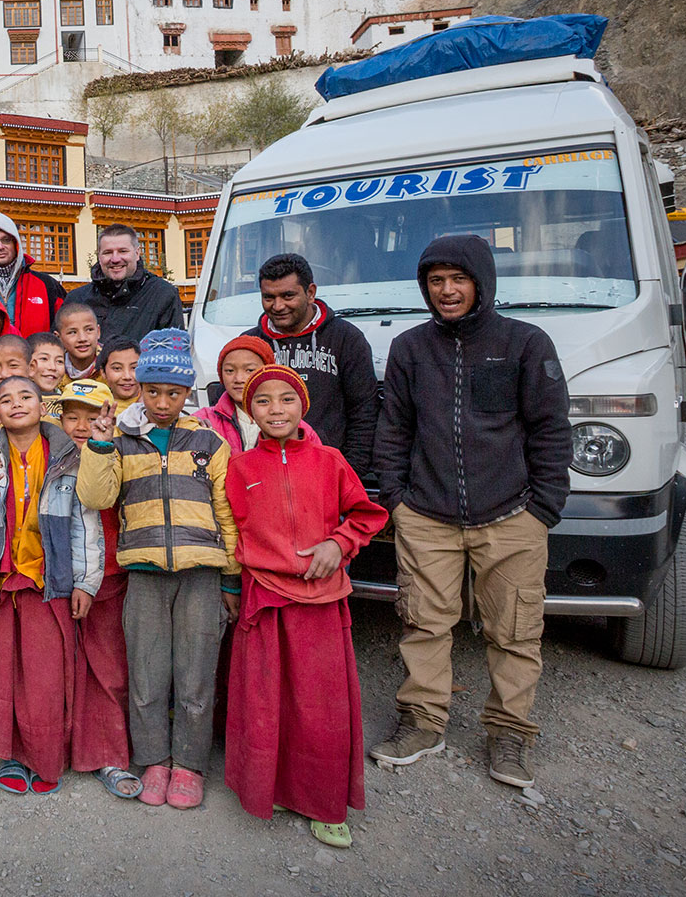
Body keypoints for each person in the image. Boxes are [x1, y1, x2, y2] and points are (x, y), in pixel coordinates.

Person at [370, 236, 570, 790]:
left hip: (512, 516)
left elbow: (551, 429)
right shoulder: (410, 348)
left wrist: (543, 508)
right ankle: (422, 722)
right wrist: (398, 501)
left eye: (458, 279)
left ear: (481, 281)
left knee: (515, 631)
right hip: (426, 516)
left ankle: (510, 732)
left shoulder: (524, 343)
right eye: (436, 281)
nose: (447, 290)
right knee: (423, 623)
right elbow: (394, 430)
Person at [225, 367, 388, 848]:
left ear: (304, 406)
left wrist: (339, 543)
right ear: (250, 412)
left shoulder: (330, 461)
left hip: (321, 599)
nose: (276, 410)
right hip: (265, 596)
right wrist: (232, 586)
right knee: (267, 700)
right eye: (263, 401)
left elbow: (365, 514)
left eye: (286, 399)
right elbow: (231, 529)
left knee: (321, 706)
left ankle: (324, 801)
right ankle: (272, 787)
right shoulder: (240, 468)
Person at [76, 328, 237, 811]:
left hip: (201, 573)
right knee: (147, 673)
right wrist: (100, 444)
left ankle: (189, 763)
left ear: (188, 392)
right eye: (152, 391)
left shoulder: (209, 441)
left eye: (173, 392)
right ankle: (154, 760)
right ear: (139, 390)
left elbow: (226, 512)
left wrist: (231, 577)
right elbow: (97, 497)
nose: (162, 402)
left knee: (196, 674)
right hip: (144, 572)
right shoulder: (122, 440)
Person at [0, 376, 107, 797]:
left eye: (26, 396)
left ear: (44, 407)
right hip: (1, 580)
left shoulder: (68, 456)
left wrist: (86, 582)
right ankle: (9, 753)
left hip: (49, 580)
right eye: (6, 399)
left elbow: (85, 524)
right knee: (0, 673)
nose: (17, 404)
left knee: (44, 677)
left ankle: (43, 754)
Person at [55, 378, 135, 797]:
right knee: (61, 668)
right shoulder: (51, 456)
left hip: (110, 576)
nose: (82, 426)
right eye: (72, 417)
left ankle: (108, 754)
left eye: (94, 417)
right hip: (57, 577)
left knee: (108, 668)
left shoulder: (121, 454)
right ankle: (56, 751)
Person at [245, 254, 380, 484]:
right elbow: (235, 414)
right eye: (268, 297)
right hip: (267, 480)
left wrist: (347, 475)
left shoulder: (347, 339)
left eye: (288, 296)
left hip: (331, 477)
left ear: (310, 293)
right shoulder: (249, 345)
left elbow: (364, 413)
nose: (278, 306)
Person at [66, 224, 185, 353]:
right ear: (99, 256)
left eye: (123, 251)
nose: (115, 259)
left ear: (137, 253)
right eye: (108, 252)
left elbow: (174, 352)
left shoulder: (162, 295)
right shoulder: (77, 299)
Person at [0, 214, 65, 338]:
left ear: (16, 244)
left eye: (6, 240)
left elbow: (66, 324)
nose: (0, 247)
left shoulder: (46, 284)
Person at [194, 334, 278, 454]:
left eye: (249, 370)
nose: (239, 379)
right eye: (230, 371)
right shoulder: (204, 420)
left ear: (267, 372)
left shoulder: (286, 420)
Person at [56, 302, 103, 382]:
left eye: (89, 330)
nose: (82, 338)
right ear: (58, 338)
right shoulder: (53, 368)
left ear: (98, 332)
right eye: (72, 332)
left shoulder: (110, 363)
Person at [26, 331, 65, 398]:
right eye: (44, 359)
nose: (53, 367)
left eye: (59, 361)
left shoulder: (67, 399)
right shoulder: (17, 401)